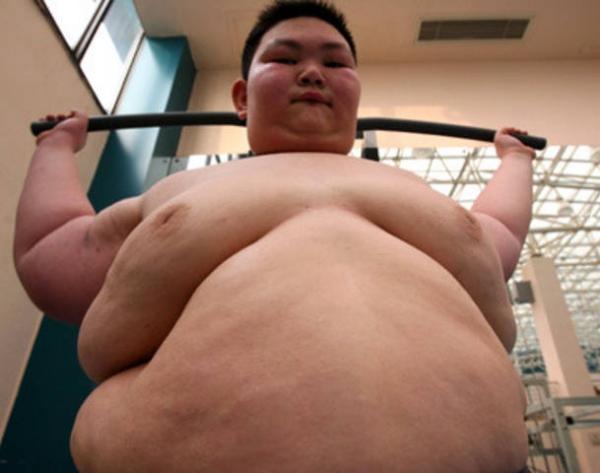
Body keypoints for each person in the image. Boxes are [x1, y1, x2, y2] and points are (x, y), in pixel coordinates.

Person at [14, 1, 536, 471]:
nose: (312, 72)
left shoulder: (414, 189)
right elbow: (53, 253)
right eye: (284, 58)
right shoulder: (179, 190)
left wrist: (515, 160)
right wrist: (56, 148)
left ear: (356, 95)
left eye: (336, 63)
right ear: (242, 98)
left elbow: (497, 234)